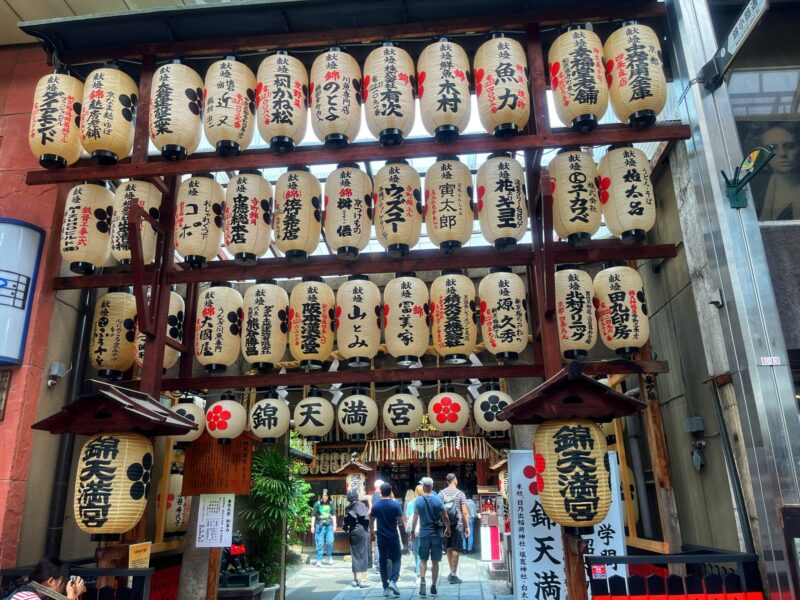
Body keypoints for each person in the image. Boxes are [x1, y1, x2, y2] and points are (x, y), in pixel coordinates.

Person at [411, 477, 450, 598]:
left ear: (423, 487)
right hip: (437, 534)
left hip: (423, 533)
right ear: (432, 487)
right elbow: (445, 516)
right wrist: (448, 527)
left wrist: (413, 531)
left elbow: (415, 517)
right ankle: (433, 586)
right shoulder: (438, 500)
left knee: (423, 559)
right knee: (435, 561)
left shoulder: (418, 501)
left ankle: (422, 579)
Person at [369, 482, 406, 597]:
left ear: (381, 492)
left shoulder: (376, 505)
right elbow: (400, 522)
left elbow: (371, 519)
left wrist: (371, 532)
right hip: (393, 536)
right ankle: (393, 581)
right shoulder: (395, 505)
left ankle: (385, 587)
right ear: (390, 492)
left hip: (381, 536)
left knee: (383, 562)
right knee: (396, 559)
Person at [758, 124, 800, 220]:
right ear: (763, 154)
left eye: (790, 146)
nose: (782, 153)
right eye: (771, 148)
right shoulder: (773, 181)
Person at [438, 473, 470, 584]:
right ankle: (454, 574)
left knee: (449, 547)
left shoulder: (440, 494)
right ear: (455, 480)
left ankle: (451, 571)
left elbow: (438, 510)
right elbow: (464, 512)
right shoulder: (460, 494)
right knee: (456, 548)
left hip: (445, 524)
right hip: (458, 523)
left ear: (447, 481)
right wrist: (467, 526)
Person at [7, 558, 86, 600]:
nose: (64, 586)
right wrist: (71, 597)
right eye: (64, 581)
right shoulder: (28, 597)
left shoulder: (25, 592)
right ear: (51, 581)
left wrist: (74, 595)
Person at [343, 488, 370, 588]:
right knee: (363, 554)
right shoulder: (360, 505)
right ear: (356, 496)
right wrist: (370, 503)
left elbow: (346, 522)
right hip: (361, 530)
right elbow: (367, 517)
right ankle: (363, 580)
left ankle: (355, 580)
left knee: (354, 555)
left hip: (353, 531)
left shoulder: (348, 507)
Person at [310, 489, 337, 567]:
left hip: (329, 525)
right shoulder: (317, 504)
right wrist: (312, 526)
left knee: (329, 541)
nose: (325, 497)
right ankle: (319, 560)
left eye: (326, 495)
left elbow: (334, 514)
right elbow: (313, 515)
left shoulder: (331, 503)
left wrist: (335, 525)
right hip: (320, 525)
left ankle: (329, 557)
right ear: (321, 496)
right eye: (323, 495)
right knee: (319, 543)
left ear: (328, 496)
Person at [404, 486, 423, 584]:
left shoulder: (411, 503)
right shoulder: (424, 501)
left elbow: (407, 517)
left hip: (413, 529)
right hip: (423, 528)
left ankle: (418, 567)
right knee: (422, 549)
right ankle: (419, 570)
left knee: (416, 549)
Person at [369, 479, 385, 573]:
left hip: (375, 524)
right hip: (384, 523)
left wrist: (371, 529)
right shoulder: (383, 495)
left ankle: (378, 566)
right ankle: (383, 564)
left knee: (377, 544)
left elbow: (371, 513)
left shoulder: (372, 496)